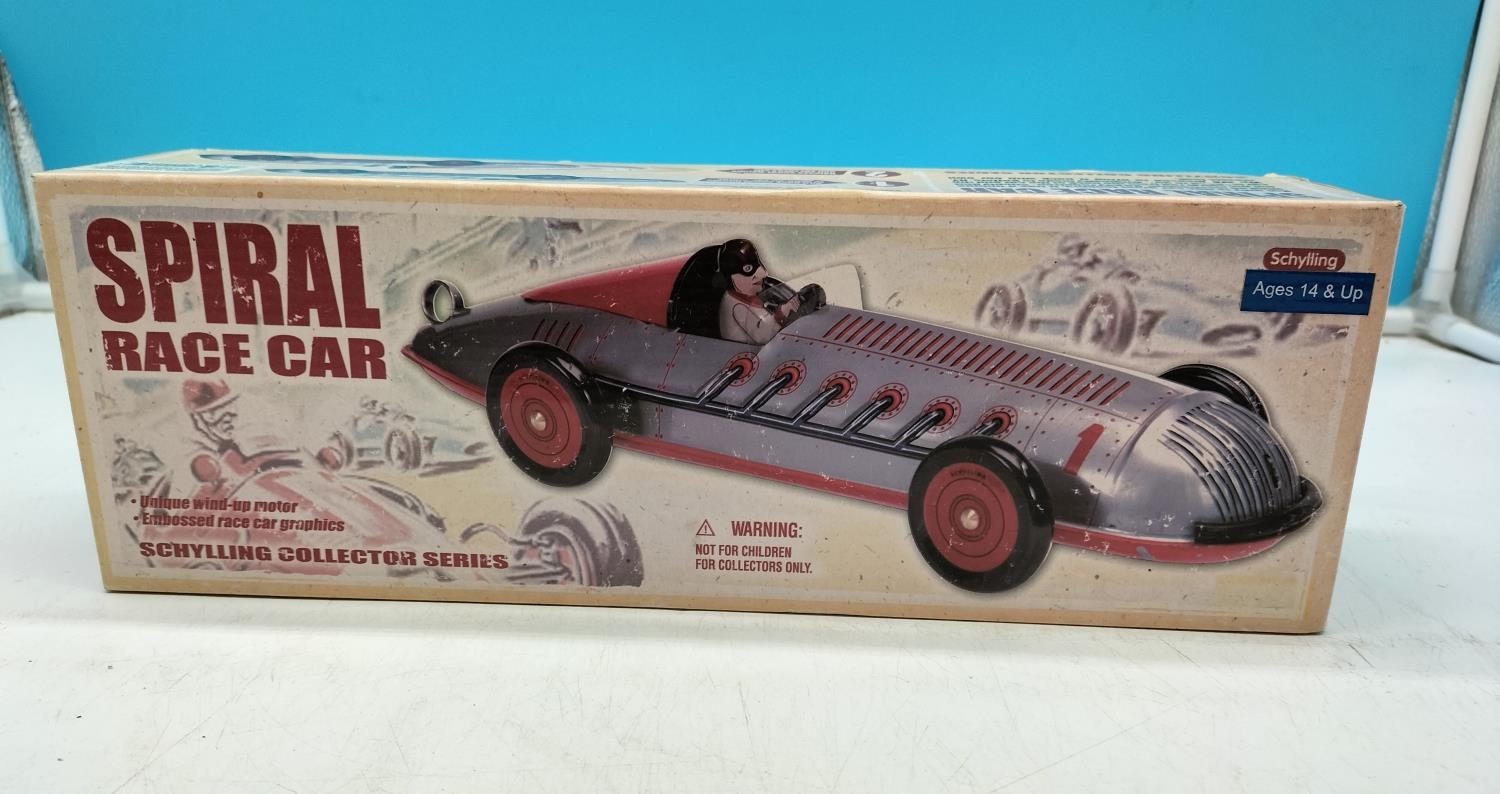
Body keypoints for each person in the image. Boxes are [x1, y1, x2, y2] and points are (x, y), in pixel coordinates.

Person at [718, 239, 800, 344]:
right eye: (748, 268)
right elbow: (763, 336)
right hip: (748, 351)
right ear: (730, 277)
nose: (763, 273)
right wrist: (781, 313)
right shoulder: (737, 306)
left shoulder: (746, 297)